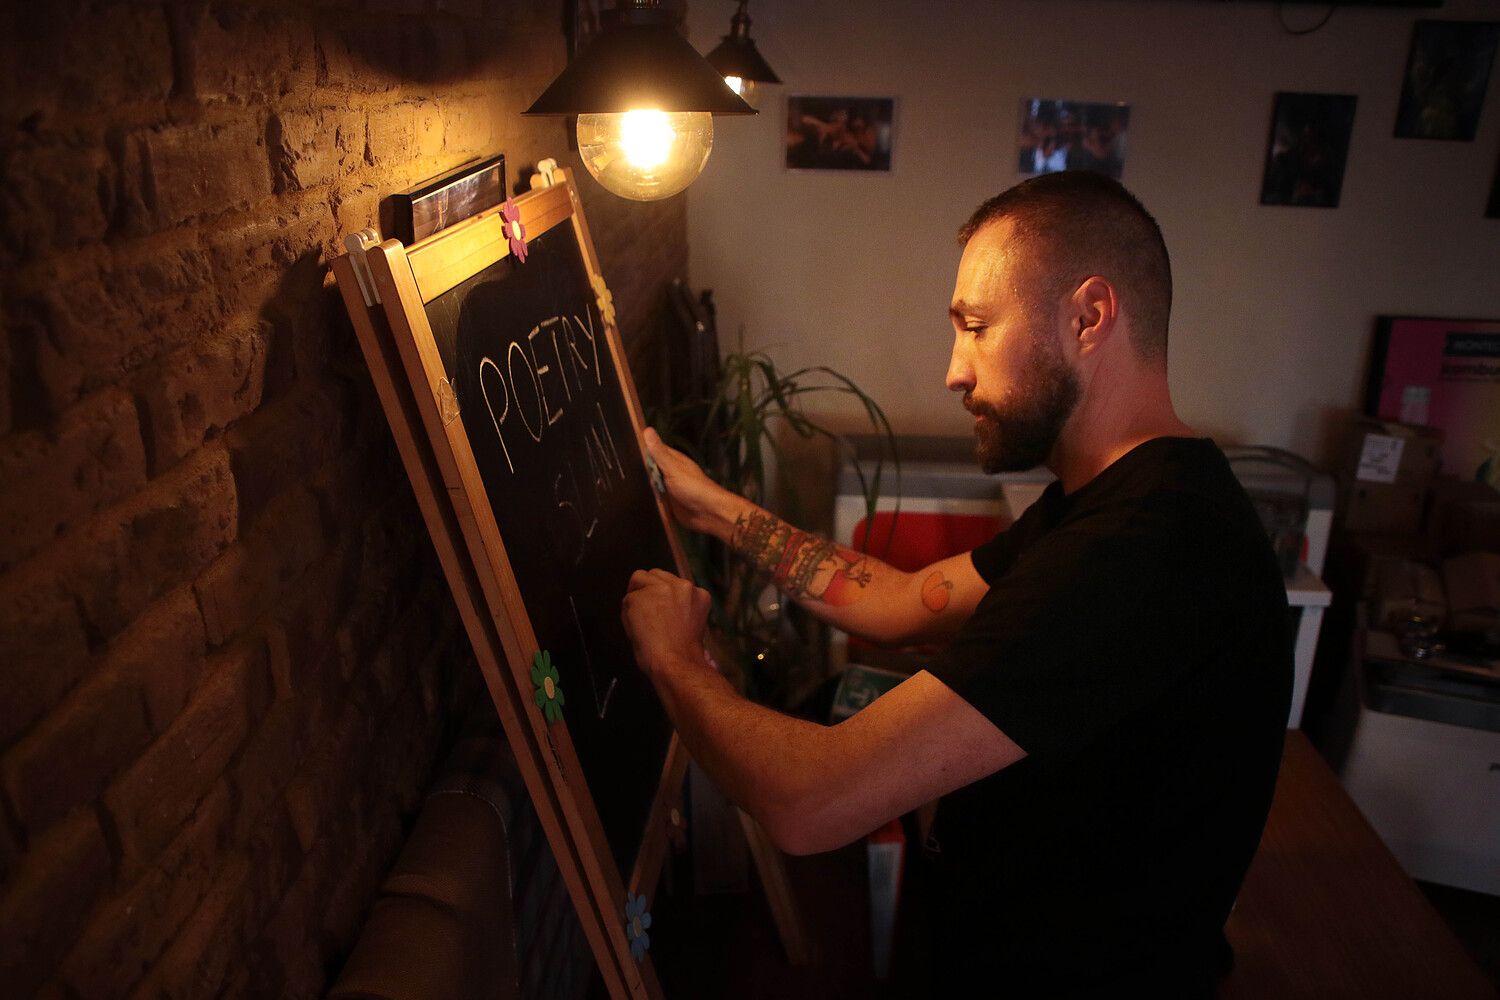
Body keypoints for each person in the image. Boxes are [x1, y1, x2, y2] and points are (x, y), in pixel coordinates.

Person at [621, 171, 1291, 996]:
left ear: (1088, 317)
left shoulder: (1145, 549)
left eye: (976, 327)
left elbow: (809, 802)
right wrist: (715, 509)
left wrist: (673, 660)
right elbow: (900, 603)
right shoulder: (1125, 499)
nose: (954, 371)